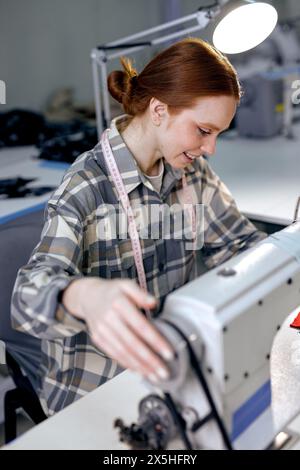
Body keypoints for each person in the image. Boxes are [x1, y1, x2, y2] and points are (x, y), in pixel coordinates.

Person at [11, 38, 267, 415]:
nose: (211, 148)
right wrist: (84, 296)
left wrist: (283, 252)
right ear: (160, 110)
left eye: (218, 134)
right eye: (203, 130)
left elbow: (241, 243)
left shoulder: (192, 174)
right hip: (96, 392)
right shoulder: (87, 186)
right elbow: (25, 299)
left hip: (172, 369)